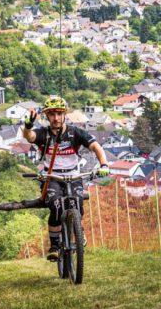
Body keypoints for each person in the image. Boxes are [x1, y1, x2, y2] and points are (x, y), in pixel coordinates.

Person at [23, 96, 109, 261]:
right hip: (52, 177)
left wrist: (104, 164)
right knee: (55, 205)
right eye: (52, 114)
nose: (56, 118)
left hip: (73, 176)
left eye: (59, 114)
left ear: (65, 114)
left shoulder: (75, 132)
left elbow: (95, 146)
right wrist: (28, 126)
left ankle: (78, 230)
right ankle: (55, 245)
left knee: (77, 201)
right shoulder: (44, 134)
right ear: (47, 116)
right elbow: (30, 137)